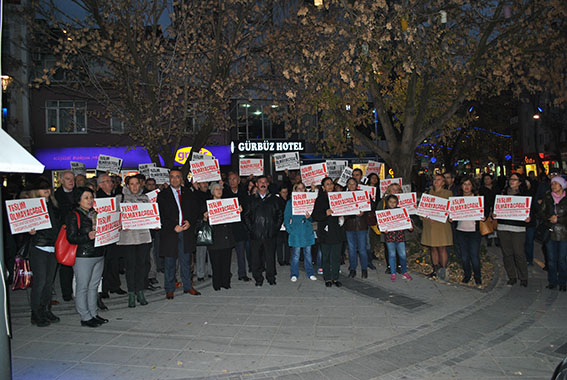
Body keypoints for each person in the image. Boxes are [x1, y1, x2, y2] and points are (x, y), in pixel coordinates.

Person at [66, 187, 108, 328]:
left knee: (94, 286)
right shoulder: (74, 215)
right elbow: (71, 238)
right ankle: (85, 316)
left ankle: (93, 313)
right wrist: (87, 236)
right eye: (86, 198)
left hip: (98, 253)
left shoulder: (95, 214)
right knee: (82, 286)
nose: (90, 200)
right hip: (83, 255)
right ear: (79, 200)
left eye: (91, 197)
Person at [157, 168, 202, 299]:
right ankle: (169, 288)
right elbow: (161, 215)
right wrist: (173, 226)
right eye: (172, 177)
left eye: (177, 177)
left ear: (181, 179)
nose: (175, 179)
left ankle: (188, 286)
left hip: (186, 232)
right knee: (170, 262)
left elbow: (195, 210)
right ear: (169, 179)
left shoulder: (188, 193)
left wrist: (190, 222)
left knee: (186, 261)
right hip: (171, 233)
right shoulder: (162, 195)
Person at [28, 179, 61, 327]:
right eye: (42, 188)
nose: (46, 190)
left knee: (48, 283)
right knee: (40, 282)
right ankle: (36, 313)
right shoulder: (31, 207)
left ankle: (45, 309)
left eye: (47, 187)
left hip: (52, 247)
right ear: (36, 191)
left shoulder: (53, 205)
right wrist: (29, 231)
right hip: (39, 247)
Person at [116, 176, 152, 307]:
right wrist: (122, 224)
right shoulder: (120, 199)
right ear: (127, 185)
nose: (135, 186)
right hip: (128, 238)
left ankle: (140, 291)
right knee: (130, 267)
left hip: (143, 237)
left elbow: (150, 216)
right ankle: (131, 294)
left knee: (141, 266)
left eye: (137, 184)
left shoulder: (145, 198)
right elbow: (115, 217)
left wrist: (154, 223)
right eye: (132, 184)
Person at [243, 175, 283, 286]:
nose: (263, 184)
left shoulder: (274, 199)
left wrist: (275, 228)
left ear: (268, 184)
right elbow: (246, 216)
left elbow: (280, 215)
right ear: (257, 184)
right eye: (260, 182)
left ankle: (271, 277)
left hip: (270, 234)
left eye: (265, 182)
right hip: (255, 234)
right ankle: (258, 278)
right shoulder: (251, 200)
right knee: (255, 258)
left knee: (270, 257)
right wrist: (251, 229)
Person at [495, 173, 530, 287]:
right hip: (503, 227)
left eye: (514, 179)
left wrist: (529, 218)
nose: (512, 181)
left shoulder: (524, 195)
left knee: (519, 253)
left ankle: (523, 277)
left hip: (518, 228)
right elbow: (496, 208)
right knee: (507, 253)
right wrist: (495, 214)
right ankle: (512, 276)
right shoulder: (503, 194)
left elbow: (532, 211)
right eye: (511, 179)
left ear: (520, 182)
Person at [312, 177, 346, 287]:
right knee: (325, 257)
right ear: (323, 187)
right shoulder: (320, 199)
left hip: (337, 232)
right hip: (325, 233)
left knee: (336, 257)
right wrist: (325, 213)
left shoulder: (339, 197)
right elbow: (315, 215)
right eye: (327, 184)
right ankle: (327, 278)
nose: (330, 186)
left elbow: (347, 210)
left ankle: (335, 278)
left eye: (331, 184)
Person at [204, 182, 238, 291]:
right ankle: (217, 284)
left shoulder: (227, 203)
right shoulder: (208, 205)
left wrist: (237, 211)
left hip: (226, 237)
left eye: (220, 189)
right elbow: (202, 223)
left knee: (226, 262)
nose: (219, 191)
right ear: (212, 191)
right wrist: (205, 218)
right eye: (216, 189)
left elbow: (233, 220)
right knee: (216, 263)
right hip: (214, 239)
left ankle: (226, 282)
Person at [97, 174, 125, 299]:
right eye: (107, 181)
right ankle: (103, 288)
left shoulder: (114, 197)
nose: (111, 183)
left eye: (111, 181)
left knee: (114, 261)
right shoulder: (97, 198)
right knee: (104, 263)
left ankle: (114, 285)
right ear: (101, 184)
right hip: (103, 235)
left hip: (113, 233)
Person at [453, 177, 484, 286]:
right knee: (464, 256)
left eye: (469, 184)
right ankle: (467, 275)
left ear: (472, 186)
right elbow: (452, 215)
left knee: (474, 256)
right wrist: (451, 218)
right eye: (464, 184)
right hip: (461, 231)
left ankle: (477, 277)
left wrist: (483, 217)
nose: (466, 186)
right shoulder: (457, 200)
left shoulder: (477, 198)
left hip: (474, 231)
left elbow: (483, 213)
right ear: (461, 186)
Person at [421, 174, 453, 280]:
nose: (436, 181)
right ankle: (435, 269)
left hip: (441, 225)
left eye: (439, 180)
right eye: (434, 179)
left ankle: (443, 270)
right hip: (429, 224)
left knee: (441, 247)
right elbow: (423, 208)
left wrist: (442, 216)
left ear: (443, 182)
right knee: (433, 247)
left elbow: (450, 209)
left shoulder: (448, 194)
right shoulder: (428, 193)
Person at [539, 175, 567, 291]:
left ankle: (563, 282)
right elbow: (541, 212)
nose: (553, 186)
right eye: (552, 184)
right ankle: (552, 281)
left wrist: (559, 220)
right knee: (551, 259)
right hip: (550, 232)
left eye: (556, 183)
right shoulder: (548, 197)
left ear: (562, 186)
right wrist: (548, 218)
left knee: (562, 259)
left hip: (564, 233)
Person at [284, 182, 316, 282]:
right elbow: (286, 217)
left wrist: (309, 217)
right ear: (295, 190)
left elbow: (313, 219)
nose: (301, 190)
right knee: (296, 255)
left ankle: (310, 273)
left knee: (308, 254)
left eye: (303, 188)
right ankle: (294, 273)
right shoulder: (290, 202)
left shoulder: (309, 201)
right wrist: (290, 230)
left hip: (307, 231)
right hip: (296, 232)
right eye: (298, 188)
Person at [222, 173, 251, 281]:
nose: (232, 181)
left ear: (238, 181)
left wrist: (243, 210)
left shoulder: (244, 193)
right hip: (228, 228)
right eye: (230, 179)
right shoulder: (224, 193)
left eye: (234, 179)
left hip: (240, 227)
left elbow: (248, 209)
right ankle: (226, 273)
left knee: (240, 253)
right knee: (227, 253)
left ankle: (242, 274)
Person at [54, 170, 76, 302]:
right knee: (66, 263)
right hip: (65, 233)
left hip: (79, 232)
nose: (71, 181)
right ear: (61, 181)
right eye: (68, 179)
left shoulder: (79, 193)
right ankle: (66, 292)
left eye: (72, 179)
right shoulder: (56, 196)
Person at [382, 194, 413, 281]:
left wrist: (410, 226)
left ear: (397, 203)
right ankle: (393, 272)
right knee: (391, 255)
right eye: (390, 202)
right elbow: (380, 224)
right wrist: (383, 229)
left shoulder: (401, 211)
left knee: (402, 255)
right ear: (387, 202)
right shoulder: (384, 213)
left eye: (394, 202)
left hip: (400, 237)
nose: (392, 204)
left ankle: (404, 272)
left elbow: (408, 221)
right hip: (390, 238)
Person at [344, 177, 369, 278]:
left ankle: (364, 269)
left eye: (353, 183)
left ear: (357, 185)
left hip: (361, 226)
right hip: (349, 226)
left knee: (362, 249)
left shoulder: (363, 195)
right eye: (349, 183)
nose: (351, 185)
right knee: (351, 249)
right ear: (347, 185)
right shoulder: (343, 196)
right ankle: (353, 268)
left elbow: (370, 208)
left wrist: (364, 212)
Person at [194, 181, 212, 281]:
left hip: (212, 225)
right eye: (202, 183)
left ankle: (211, 272)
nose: (204, 185)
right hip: (201, 225)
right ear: (198, 184)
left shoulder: (211, 193)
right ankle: (200, 274)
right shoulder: (195, 195)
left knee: (211, 251)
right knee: (201, 251)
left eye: (206, 183)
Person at [479, 173, 499, 247]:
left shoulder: (496, 188)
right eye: (485, 179)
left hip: (496, 208)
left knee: (495, 225)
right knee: (488, 224)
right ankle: (489, 241)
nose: (486, 180)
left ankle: (497, 240)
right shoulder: (481, 189)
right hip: (486, 208)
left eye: (488, 179)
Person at [276, 186, 291, 266]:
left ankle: (287, 259)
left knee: (287, 243)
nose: (285, 194)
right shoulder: (277, 202)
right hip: (280, 226)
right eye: (283, 192)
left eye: (286, 192)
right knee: (279, 244)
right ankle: (280, 259)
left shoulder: (289, 201)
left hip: (287, 225)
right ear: (280, 193)